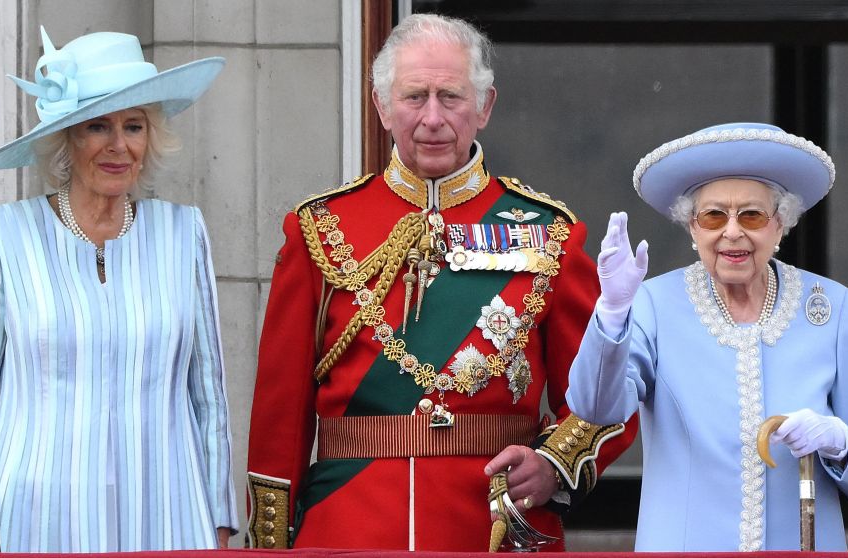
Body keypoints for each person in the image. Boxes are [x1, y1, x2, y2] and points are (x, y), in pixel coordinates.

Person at [244, 13, 636, 552]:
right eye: (414, 97)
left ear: (484, 107)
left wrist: (552, 464)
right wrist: (270, 544)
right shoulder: (319, 227)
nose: (432, 118)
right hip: (347, 526)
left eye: (450, 97)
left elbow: (608, 395)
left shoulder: (549, 234)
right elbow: (278, 419)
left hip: (493, 528)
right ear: (381, 106)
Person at [0, 28, 238, 552]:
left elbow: (209, 396)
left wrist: (220, 520)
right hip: (34, 515)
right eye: (97, 126)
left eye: (134, 126)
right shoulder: (7, 233)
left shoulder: (184, 234)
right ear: (67, 138)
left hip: (167, 512)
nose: (118, 145)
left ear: (150, 136)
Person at [567, 122, 848, 551]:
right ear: (692, 227)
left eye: (752, 215)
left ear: (780, 224)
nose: (732, 232)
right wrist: (612, 312)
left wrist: (839, 442)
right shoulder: (653, 304)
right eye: (713, 216)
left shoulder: (833, 308)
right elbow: (596, 408)